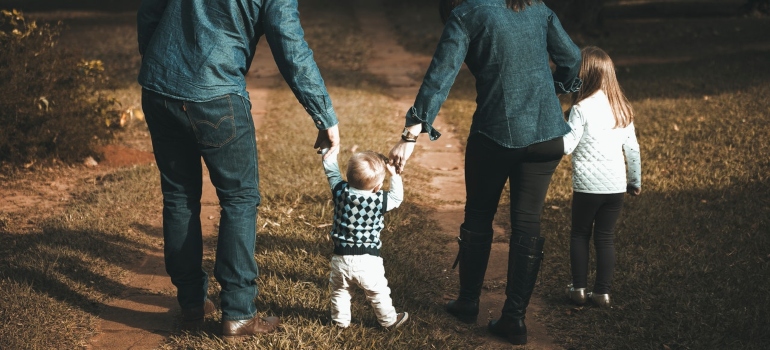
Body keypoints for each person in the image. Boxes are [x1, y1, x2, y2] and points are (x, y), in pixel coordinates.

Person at [137, 0, 340, 342]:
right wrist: (324, 115)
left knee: (179, 195)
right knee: (239, 199)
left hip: (159, 88)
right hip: (216, 95)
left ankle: (191, 304)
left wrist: (159, 64)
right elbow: (289, 44)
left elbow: (150, 12)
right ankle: (238, 314)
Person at [388, 0, 582, 345]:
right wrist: (554, 89)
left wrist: (410, 135)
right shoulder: (537, 7)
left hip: (496, 134)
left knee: (479, 215)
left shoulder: (467, 13)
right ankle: (514, 320)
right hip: (548, 134)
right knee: (527, 223)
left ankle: (467, 303)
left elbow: (440, 76)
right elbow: (572, 60)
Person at [563, 46, 642, 308]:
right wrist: (635, 181)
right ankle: (602, 294)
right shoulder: (622, 109)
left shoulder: (581, 109)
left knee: (580, 235)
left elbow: (567, 146)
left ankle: (579, 290)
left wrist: (555, 129)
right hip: (615, 188)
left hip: (587, 188)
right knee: (605, 237)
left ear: (583, 75)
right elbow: (632, 149)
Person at [321, 149, 409, 329]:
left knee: (340, 291)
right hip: (368, 260)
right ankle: (389, 321)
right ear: (377, 187)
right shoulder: (379, 200)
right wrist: (394, 176)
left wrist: (328, 150)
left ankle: (340, 322)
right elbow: (397, 198)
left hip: (341, 258)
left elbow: (331, 171)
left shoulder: (340, 192)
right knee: (378, 292)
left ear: (348, 176)